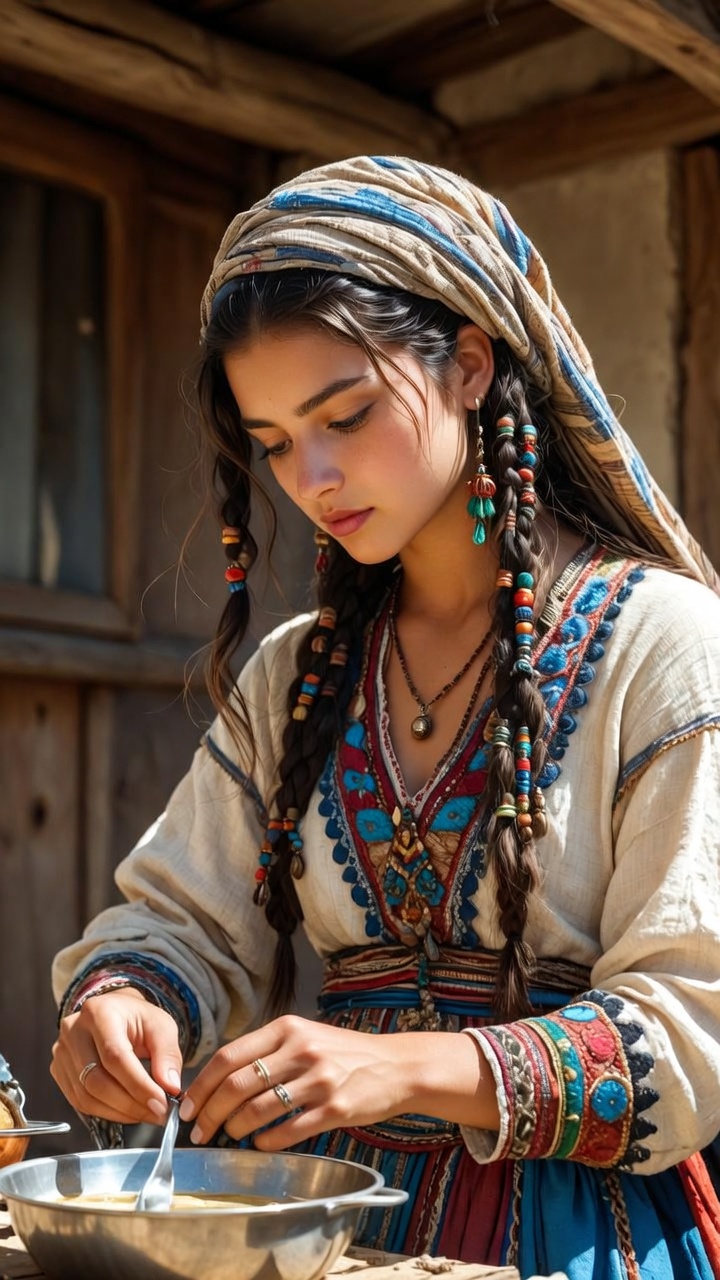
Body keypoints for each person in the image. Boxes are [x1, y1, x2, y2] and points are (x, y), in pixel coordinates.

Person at [50, 156, 720, 1279]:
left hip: (578, 1241)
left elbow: (696, 1028)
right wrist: (123, 1002)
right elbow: (177, 921)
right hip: (325, 1231)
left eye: (345, 414)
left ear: (468, 363)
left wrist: (401, 1066)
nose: (309, 474)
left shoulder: (667, 645)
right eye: (270, 442)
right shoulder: (296, 676)